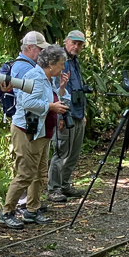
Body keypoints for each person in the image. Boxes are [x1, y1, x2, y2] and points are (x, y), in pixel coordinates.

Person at [0, 44, 70, 229]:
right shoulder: (34, 77)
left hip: (42, 131)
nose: (62, 68)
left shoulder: (49, 79)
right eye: (61, 64)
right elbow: (28, 102)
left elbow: (56, 97)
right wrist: (51, 107)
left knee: (38, 173)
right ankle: (6, 212)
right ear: (51, 64)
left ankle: (32, 209)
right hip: (26, 130)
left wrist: (61, 88)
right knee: (25, 173)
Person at [47, 29, 88, 202]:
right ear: (66, 42)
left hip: (77, 113)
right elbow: (56, 89)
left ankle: (65, 185)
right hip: (64, 113)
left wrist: (83, 113)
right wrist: (61, 116)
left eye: (80, 44)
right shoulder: (59, 60)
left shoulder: (75, 61)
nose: (76, 47)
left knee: (74, 153)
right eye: (74, 43)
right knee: (61, 151)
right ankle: (54, 188)